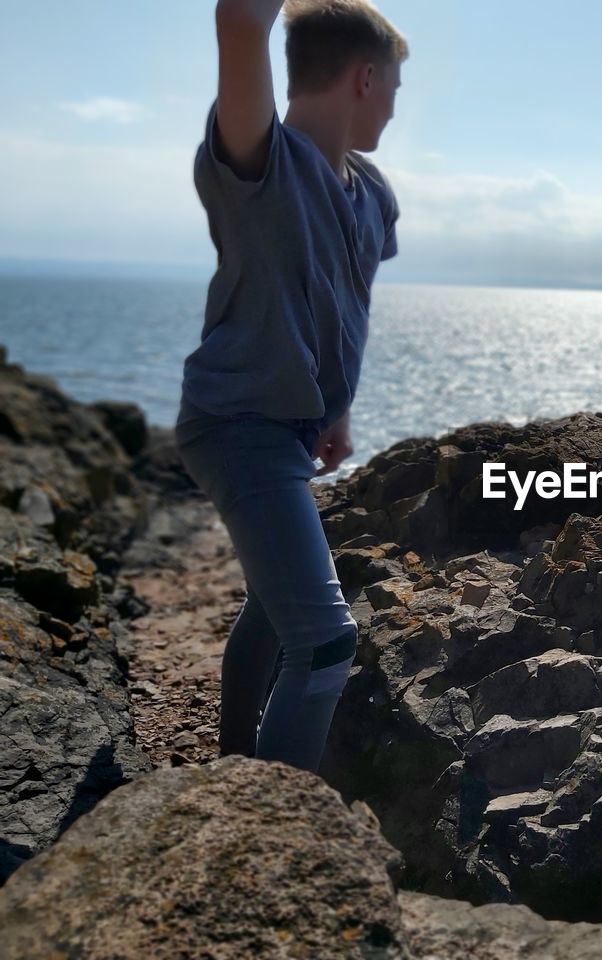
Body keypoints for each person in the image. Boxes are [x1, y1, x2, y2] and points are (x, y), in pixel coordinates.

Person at [173, 0, 408, 773]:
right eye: (396, 85)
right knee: (328, 642)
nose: (396, 103)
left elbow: (348, 304)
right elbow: (241, 23)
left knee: (277, 614)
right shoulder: (263, 160)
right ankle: (272, 819)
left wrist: (334, 408)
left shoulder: (372, 193)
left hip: (289, 428)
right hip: (235, 425)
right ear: (365, 79)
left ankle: (234, 765)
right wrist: (248, 20)